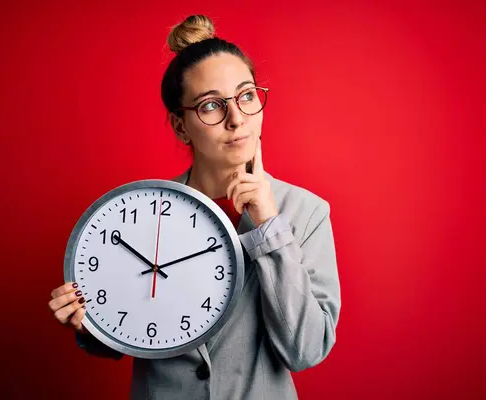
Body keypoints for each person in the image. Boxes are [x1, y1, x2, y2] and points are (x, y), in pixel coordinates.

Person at [48, 14, 341, 399]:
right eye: (211, 106)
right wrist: (91, 325)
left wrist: (270, 228)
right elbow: (137, 327)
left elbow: (306, 350)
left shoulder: (306, 213)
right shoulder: (143, 211)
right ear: (180, 126)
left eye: (247, 95)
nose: (236, 119)